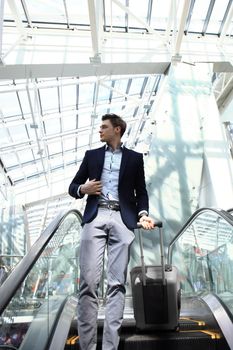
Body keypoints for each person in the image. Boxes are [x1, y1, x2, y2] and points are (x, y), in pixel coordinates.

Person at [68, 113, 155, 350]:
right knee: (88, 283)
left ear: (117, 130)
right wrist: (83, 189)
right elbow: (72, 187)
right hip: (95, 216)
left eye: (104, 127)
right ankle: (87, 347)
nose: (100, 131)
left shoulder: (135, 159)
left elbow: (141, 192)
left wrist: (143, 214)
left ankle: (109, 347)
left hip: (122, 218)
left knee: (116, 285)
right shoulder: (92, 155)